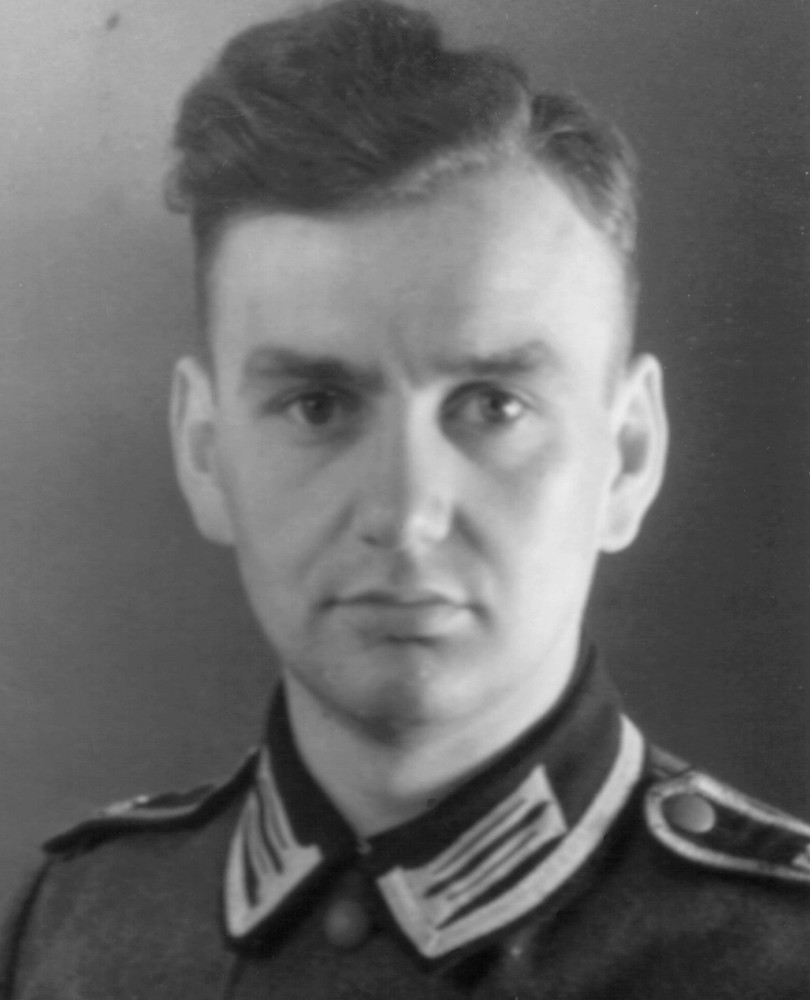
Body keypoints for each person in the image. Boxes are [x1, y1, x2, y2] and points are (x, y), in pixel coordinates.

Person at [2, 1, 809, 996]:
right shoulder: (78, 927)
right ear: (206, 452)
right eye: (317, 405)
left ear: (629, 457)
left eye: (494, 405)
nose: (405, 511)